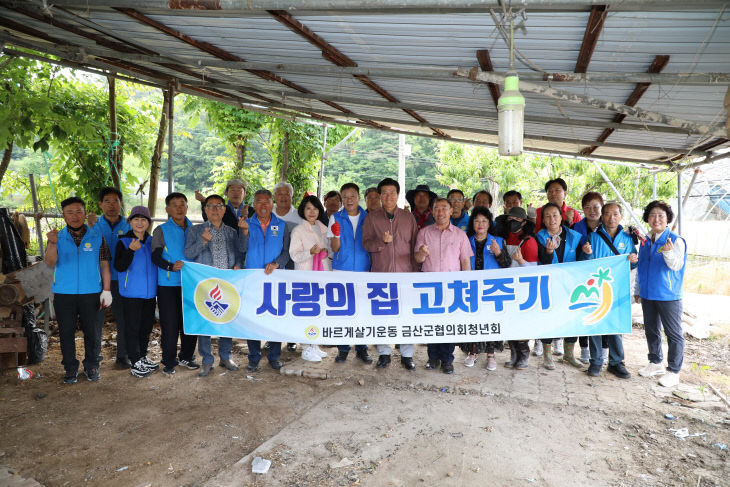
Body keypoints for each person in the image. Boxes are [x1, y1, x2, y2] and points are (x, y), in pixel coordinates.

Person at [45, 196, 112, 384]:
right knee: (66, 333)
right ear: (64, 215)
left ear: (85, 213)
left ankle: (92, 365)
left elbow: (105, 265)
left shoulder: (97, 236)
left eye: (78, 211)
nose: (74, 216)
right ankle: (70, 368)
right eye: (69, 212)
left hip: (91, 293)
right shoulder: (57, 237)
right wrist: (51, 243)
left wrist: (106, 290)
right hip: (64, 294)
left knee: (93, 332)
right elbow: (50, 262)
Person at [362, 177, 419, 370]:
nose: (388, 196)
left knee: (406, 314)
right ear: (379, 196)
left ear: (397, 194)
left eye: (392, 192)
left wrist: (415, 270)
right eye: (384, 193)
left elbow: (414, 245)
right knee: (382, 315)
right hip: (380, 274)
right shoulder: (371, 218)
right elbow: (366, 244)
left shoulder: (408, 217)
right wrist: (382, 243)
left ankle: (407, 355)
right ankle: (384, 353)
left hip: (405, 275)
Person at [185, 194, 243, 377]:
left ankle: (225, 357)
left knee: (227, 319)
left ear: (225, 209)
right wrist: (203, 241)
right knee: (205, 321)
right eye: (211, 206)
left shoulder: (232, 232)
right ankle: (207, 360)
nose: (215, 210)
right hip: (205, 285)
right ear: (205, 209)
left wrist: (238, 265)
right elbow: (188, 254)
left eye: (219, 206)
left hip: (227, 284)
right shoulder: (195, 231)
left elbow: (241, 253)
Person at [414, 198, 473, 374]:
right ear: (432, 212)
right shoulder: (424, 233)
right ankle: (432, 357)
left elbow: (465, 261)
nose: (440, 212)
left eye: (444, 209)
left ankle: (447, 359)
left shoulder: (459, 234)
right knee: (431, 322)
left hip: (452, 286)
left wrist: (466, 284)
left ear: (450, 211)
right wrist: (422, 254)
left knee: (449, 323)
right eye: (437, 209)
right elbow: (417, 259)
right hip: (429, 285)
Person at [238, 189, 292, 372]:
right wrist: (244, 232)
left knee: (274, 319)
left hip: (275, 280)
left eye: (267, 202)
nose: (263, 205)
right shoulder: (246, 224)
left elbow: (287, 252)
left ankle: (274, 357)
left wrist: (277, 264)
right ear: (254, 204)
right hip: (252, 280)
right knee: (252, 319)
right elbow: (241, 249)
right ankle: (253, 357)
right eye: (259, 202)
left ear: (272, 204)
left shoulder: (282, 225)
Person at [635, 201, 686, 388]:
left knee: (673, 334)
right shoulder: (647, 240)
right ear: (648, 219)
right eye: (653, 215)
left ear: (667, 219)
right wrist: (638, 290)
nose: (656, 219)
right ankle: (655, 362)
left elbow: (677, 265)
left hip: (669, 295)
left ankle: (673, 371)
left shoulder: (675, 239)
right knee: (651, 330)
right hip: (648, 294)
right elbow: (641, 267)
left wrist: (669, 253)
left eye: (661, 216)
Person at [583, 202, 636, 379]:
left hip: (619, 289)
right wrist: (587, 253)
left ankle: (616, 362)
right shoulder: (593, 236)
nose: (611, 218)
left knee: (616, 325)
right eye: (607, 214)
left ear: (621, 216)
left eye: (615, 214)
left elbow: (634, 263)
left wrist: (633, 259)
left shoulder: (628, 238)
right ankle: (596, 361)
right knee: (596, 324)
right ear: (602, 216)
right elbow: (586, 262)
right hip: (598, 289)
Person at [536, 202, 590, 370]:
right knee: (547, 318)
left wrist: (587, 254)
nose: (552, 219)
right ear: (543, 220)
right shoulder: (538, 237)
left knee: (572, 318)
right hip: (548, 286)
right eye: (547, 216)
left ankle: (568, 355)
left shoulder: (575, 236)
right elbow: (540, 263)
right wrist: (549, 253)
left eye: (555, 215)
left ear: (561, 217)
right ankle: (547, 355)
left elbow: (583, 263)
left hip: (571, 286)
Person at [151, 192, 200, 375]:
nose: (179, 208)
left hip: (191, 284)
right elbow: (155, 256)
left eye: (183, 204)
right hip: (168, 285)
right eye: (175, 205)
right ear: (167, 209)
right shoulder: (161, 230)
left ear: (187, 207)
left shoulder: (195, 229)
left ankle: (187, 356)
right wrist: (170, 267)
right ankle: (169, 360)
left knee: (189, 323)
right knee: (170, 324)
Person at [460, 207, 511, 370]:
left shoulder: (498, 241)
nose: (480, 224)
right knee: (473, 320)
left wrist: (498, 253)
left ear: (489, 223)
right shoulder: (465, 241)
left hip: (492, 289)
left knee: (490, 320)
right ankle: (473, 352)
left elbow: (506, 264)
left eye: (484, 221)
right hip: (471, 288)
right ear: (472, 223)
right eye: (476, 221)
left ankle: (491, 354)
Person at [328, 183, 373, 364]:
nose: (349, 200)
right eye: (345, 197)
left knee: (362, 310)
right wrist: (336, 236)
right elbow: (334, 248)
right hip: (341, 270)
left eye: (352, 196)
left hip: (363, 269)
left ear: (359, 197)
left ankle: (362, 349)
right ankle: (343, 349)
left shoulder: (368, 217)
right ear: (341, 199)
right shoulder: (335, 218)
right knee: (343, 311)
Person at [88, 187, 131, 369]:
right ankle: (94, 358)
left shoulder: (129, 225)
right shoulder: (93, 225)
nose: (112, 205)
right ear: (100, 204)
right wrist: (89, 227)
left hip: (123, 280)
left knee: (124, 319)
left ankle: (123, 356)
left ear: (121, 204)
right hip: (98, 280)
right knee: (96, 320)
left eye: (115, 201)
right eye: (107, 201)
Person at [114, 206, 159, 378]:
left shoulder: (152, 241)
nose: (140, 223)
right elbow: (119, 266)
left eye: (143, 220)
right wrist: (130, 251)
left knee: (146, 327)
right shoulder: (123, 242)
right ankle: (135, 362)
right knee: (132, 328)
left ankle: (142, 356)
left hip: (149, 294)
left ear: (149, 222)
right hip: (131, 293)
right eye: (136, 219)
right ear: (130, 222)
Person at [289, 195, 331, 362]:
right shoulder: (298, 230)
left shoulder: (323, 228)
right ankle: (305, 347)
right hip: (305, 276)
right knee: (307, 312)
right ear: (302, 211)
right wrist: (310, 253)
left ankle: (315, 345)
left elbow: (329, 250)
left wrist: (327, 252)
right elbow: (294, 255)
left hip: (322, 275)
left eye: (315, 208)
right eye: (308, 208)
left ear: (319, 210)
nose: (312, 212)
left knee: (319, 311)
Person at [501, 206, 537, 366]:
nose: (512, 222)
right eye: (509, 219)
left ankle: (523, 355)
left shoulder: (529, 242)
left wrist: (522, 261)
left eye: (516, 220)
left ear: (524, 222)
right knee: (509, 321)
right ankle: (514, 355)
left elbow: (534, 270)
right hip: (505, 287)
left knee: (521, 322)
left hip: (523, 288)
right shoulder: (504, 238)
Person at [572, 192, 606, 364]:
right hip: (583, 276)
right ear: (583, 209)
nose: (592, 210)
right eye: (588, 207)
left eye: (596, 207)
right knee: (586, 310)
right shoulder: (576, 228)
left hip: (606, 277)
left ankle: (605, 351)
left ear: (602, 207)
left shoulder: (609, 225)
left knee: (606, 312)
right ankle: (584, 349)